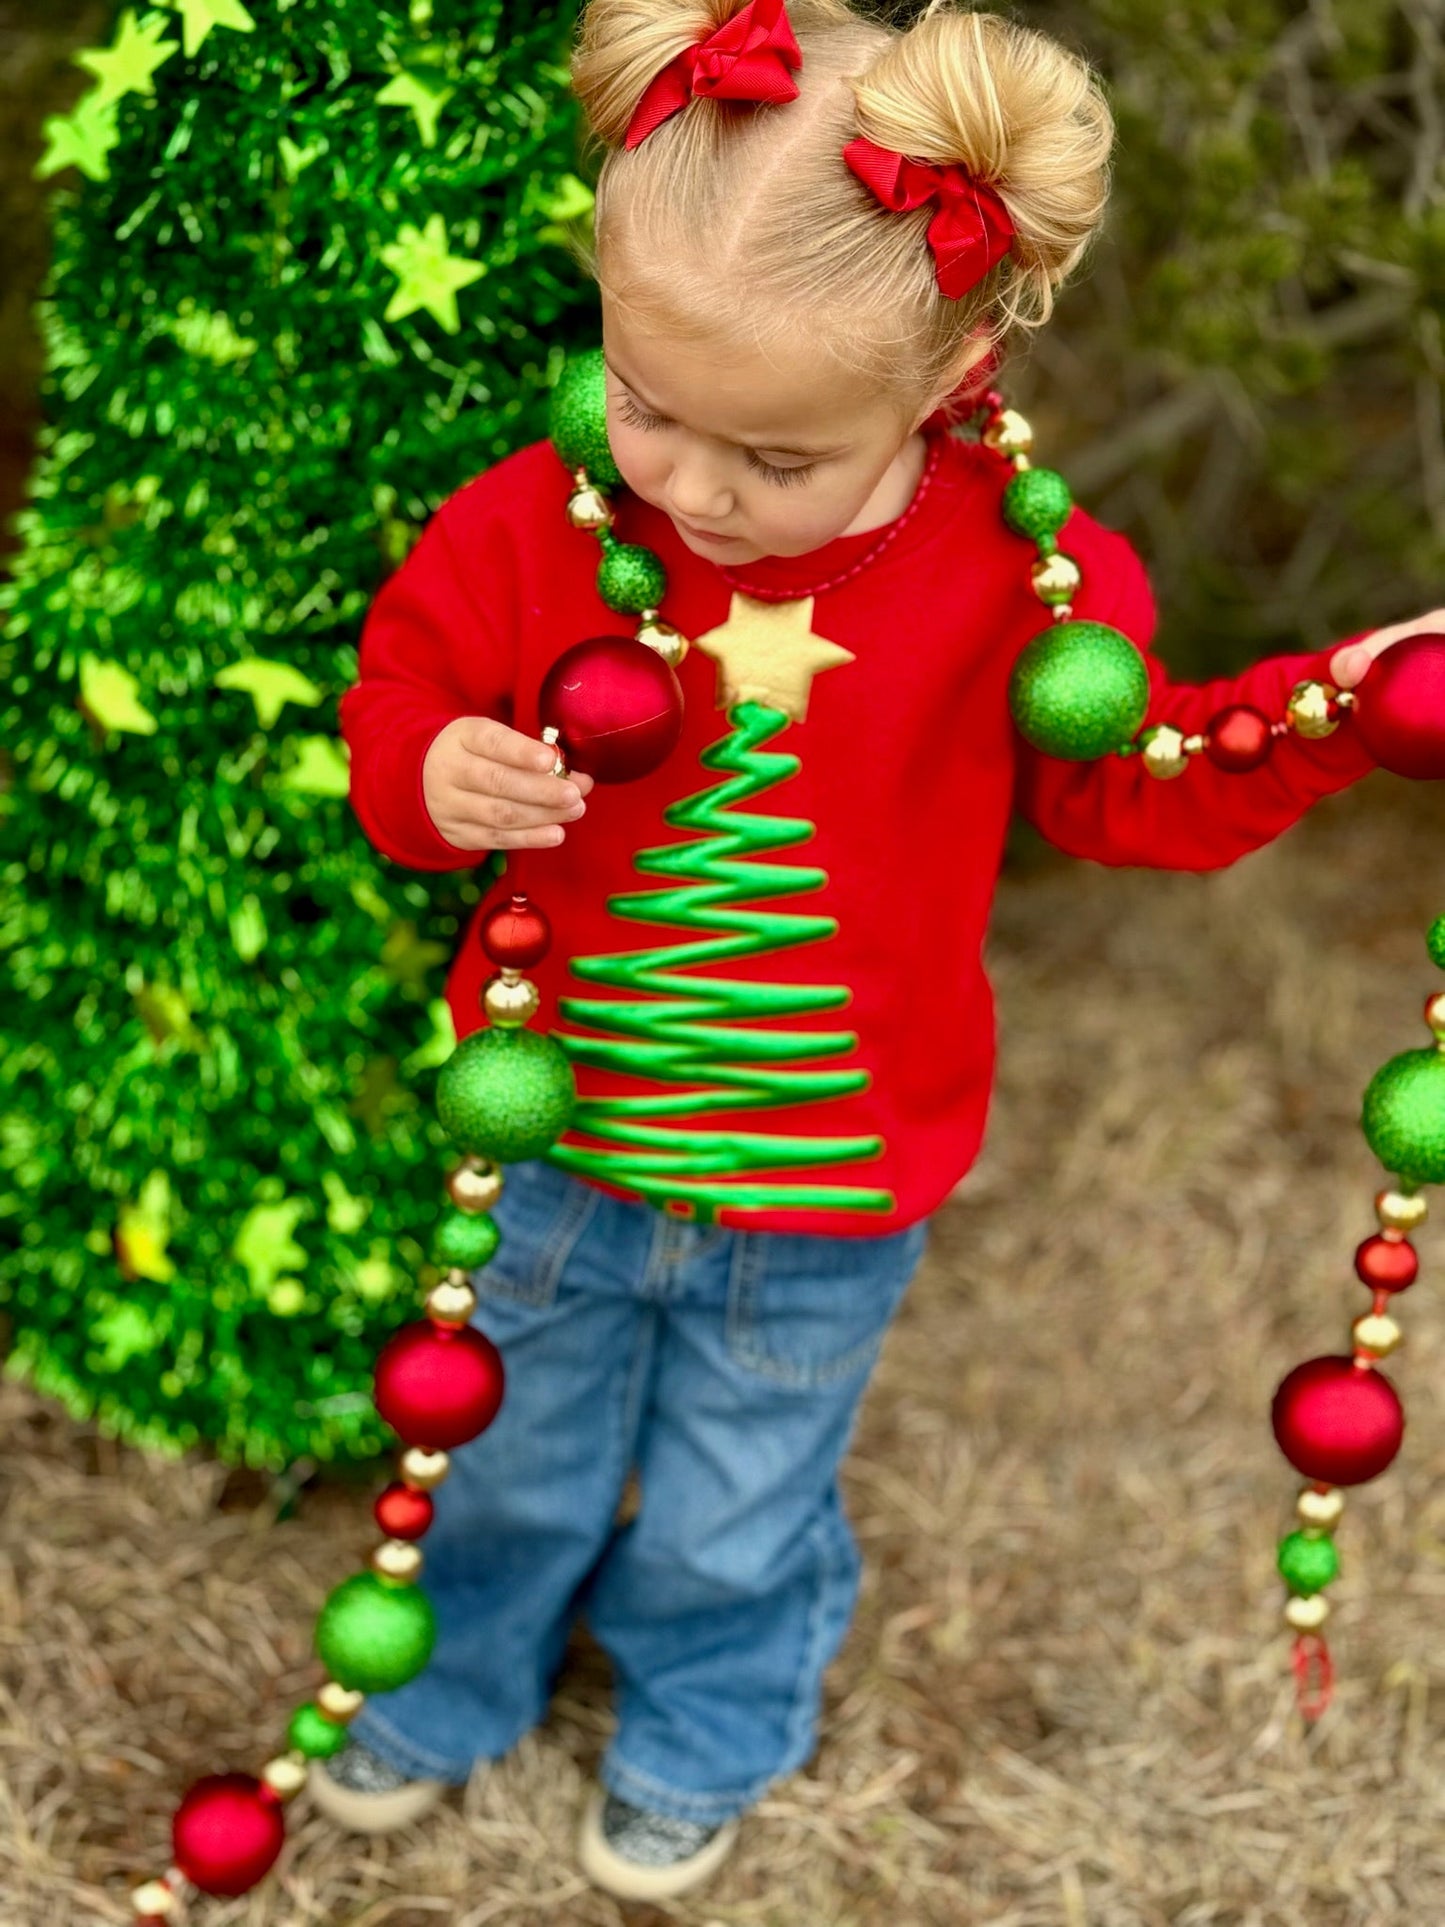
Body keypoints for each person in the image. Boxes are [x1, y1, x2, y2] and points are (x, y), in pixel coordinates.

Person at [325, 0, 1438, 1902]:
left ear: (951, 375)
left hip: (830, 1173)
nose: (683, 486)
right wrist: (433, 768)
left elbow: (1133, 786)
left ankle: (714, 1710)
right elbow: (402, 690)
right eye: (646, 399)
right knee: (501, 1450)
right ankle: (454, 1676)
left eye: (766, 449)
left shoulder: (1019, 574)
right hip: (552, 1136)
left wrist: (1332, 708)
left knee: (737, 1503)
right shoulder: (541, 524)